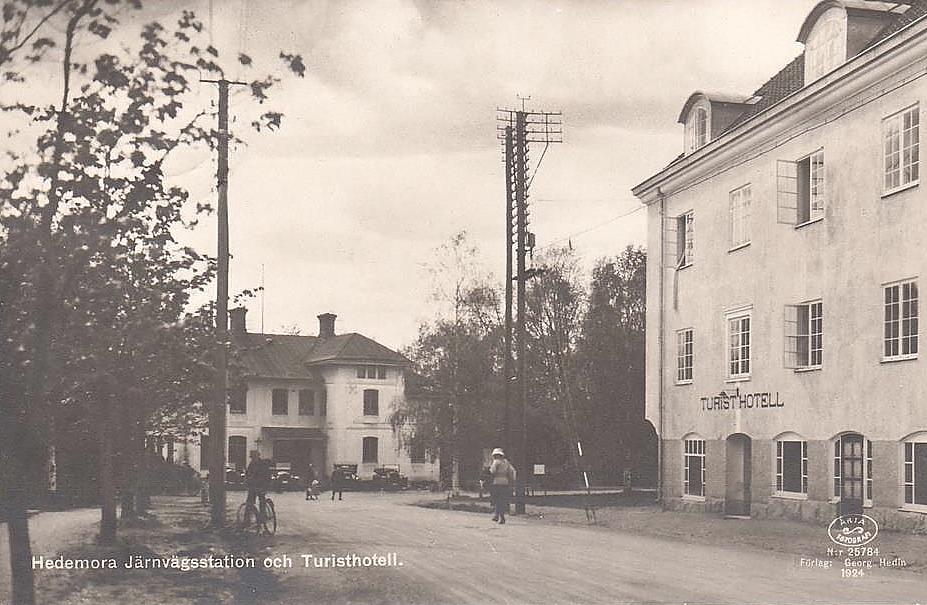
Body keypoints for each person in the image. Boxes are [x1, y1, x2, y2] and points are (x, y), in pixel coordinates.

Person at [489, 448, 516, 524]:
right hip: (505, 482)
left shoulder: (496, 462)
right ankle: (497, 516)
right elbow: (512, 472)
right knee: (502, 500)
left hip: (497, 482)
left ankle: (500, 516)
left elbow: (492, 471)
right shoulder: (506, 462)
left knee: (497, 500)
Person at [245, 450, 272, 520]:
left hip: (261, 486)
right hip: (253, 486)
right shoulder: (251, 464)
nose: (253, 458)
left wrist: (265, 487)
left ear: (258, 456)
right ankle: (246, 519)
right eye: (252, 457)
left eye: (254, 456)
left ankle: (263, 516)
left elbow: (267, 476)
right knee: (249, 502)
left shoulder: (263, 464)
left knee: (262, 500)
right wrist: (247, 482)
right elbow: (247, 475)